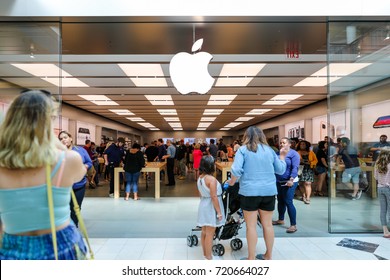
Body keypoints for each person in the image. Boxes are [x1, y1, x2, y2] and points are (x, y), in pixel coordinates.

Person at [0, 90, 87, 259]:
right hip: (60, 243)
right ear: (48, 121)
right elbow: (81, 173)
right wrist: (53, 139)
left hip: (14, 245)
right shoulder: (67, 160)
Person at [226, 126, 287, 260]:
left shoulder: (242, 150)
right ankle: (268, 255)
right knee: (268, 224)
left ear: (246, 136)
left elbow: (236, 170)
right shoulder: (269, 150)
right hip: (269, 192)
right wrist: (282, 156)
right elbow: (281, 170)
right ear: (262, 136)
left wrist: (232, 182)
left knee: (251, 226)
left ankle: (251, 258)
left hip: (249, 192)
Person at [58, 131, 92, 227]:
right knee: (64, 208)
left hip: (79, 185)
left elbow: (89, 162)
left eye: (65, 137)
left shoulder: (81, 150)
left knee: (76, 208)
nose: (63, 140)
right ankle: (64, 227)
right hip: (63, 186)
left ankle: (73, 227)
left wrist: (84, 167)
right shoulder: (58, 152)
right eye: (61, 139)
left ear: (71, 138)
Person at [196, 156, 226, 260]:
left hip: (203, 204)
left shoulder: (200, 178)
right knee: (210, 233)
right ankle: (209, 257)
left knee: (204, 231)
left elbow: (201, 194)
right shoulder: (211, 180)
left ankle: (205, 254)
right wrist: (219, 212)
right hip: (210, 207)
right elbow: (214, 197)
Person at [273, 137, 300, 233]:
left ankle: (293, 225)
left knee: (288, 201)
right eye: (280, 143)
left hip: (290, 181)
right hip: (278, 181)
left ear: (289, 144)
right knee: (280, 200)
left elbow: (295, 168)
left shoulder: (294, 154)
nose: (281, 144)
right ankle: (281, 219)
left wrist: (291, 179)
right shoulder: (277, 154)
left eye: (283, 143)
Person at [374, 147, 390, 238]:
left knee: (383, 210)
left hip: (380, 188)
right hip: (388, 188)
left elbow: (375, 177)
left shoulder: (377, 164)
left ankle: (385, 231)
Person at [296, 140, 318, 204]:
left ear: (306, 145)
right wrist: (300, 161)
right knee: (301, 183)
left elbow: (315, 160)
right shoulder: (297, 152)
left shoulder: (311, 152)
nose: (302, 145)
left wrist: (310, 162)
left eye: (304, 144)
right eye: (301, 144)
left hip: (309, 169)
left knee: (308, 183)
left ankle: (308, 198)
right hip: (300, 168)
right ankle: (303, 196)